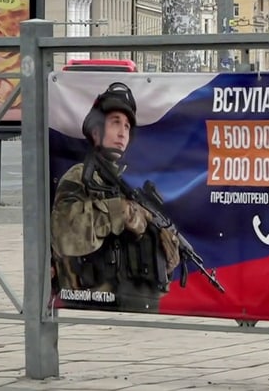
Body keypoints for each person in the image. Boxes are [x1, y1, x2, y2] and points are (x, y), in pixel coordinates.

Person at [51, 83, 180, 313]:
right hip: (86, 307)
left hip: (132, 309)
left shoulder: (125, 187)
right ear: (96, 131)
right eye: (115, 123)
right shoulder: (80, 176)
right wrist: (120, 211)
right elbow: (63, 232)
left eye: (127, 126)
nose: (122, 132)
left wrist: (166, 252)